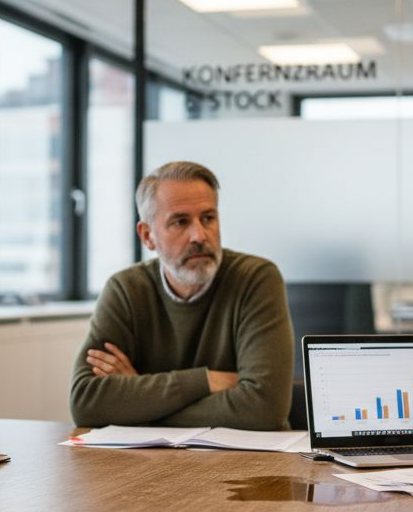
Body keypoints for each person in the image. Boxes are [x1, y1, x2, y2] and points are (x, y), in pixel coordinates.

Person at [70, 161, 292, 430]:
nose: (199, 235)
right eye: (180, 222)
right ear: (147, 235)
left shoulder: (256, 279)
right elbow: (86, 402)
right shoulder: (125, 290)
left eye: (208, 218)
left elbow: (263, 408)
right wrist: (205, 381)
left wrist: (140, 406)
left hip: (251, 464)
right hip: (149, 466)